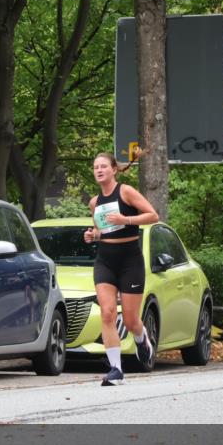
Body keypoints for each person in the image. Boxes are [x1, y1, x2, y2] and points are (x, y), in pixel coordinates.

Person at [83, 151, 159, 386]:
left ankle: (141, 337)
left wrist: (126, 220)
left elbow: (153, 215)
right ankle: (116, 369)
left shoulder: (125, 192)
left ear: (114, 169)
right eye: (96, 167)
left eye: (103, 166)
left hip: (130, 261)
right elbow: (101, 230)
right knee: (107, 313)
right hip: (105, 260)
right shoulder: (94, 203)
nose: (99, 170)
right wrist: (92, 235)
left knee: (129, 320)